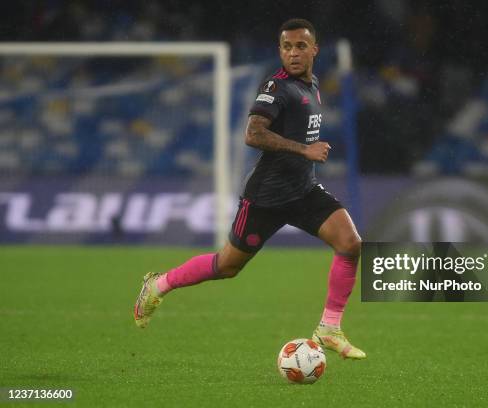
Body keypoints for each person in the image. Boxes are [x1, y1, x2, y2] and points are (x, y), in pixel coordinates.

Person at [134, 18, 365, 359]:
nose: (293, 53)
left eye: (301, 46)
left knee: (350, 243)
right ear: (280, 51)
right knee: (227, 266)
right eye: (287, 47)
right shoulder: (276, 87)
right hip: (265, 198)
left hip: (302, 190)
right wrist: (304, 150)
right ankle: (158, 284)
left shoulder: (312, 85)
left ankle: (329, 328)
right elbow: (253, 134)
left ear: (314, 49)